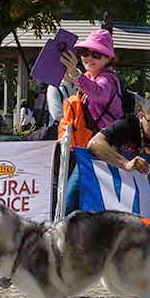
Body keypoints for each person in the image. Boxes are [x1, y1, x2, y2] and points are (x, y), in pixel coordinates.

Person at [58, 29, 123, 212]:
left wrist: (74, 73)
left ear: (108, 58)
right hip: (90, 148)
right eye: (85, 52)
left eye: (96, 54)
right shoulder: (89, 76)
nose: (88, 57)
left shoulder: (108, 80)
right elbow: (76, 81)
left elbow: (97, 92)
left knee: (70, 199)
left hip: (103, 149)